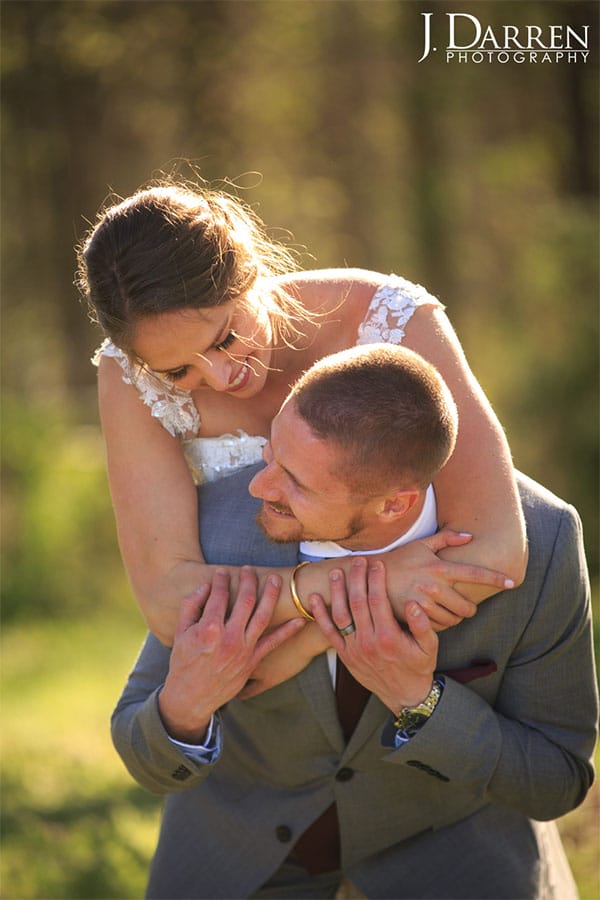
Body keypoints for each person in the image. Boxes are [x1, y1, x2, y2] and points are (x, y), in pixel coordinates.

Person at [111, 345, 597, 900]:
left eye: (295, 482)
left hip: (457, 869)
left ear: (396, 504)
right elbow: (142, 756)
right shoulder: (212, 524)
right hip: (237, 870)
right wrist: (185, 706)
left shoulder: (544, 542)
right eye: (272, 452)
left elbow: (558, 780)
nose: (259, 486)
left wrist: (423, 701)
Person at [77, 180, 526, 647]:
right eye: (177, 371)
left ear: (249, 268)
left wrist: (309, 642)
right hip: (237, 680)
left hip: (394, 652)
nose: (220, 376)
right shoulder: (128, 375)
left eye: (225, 338)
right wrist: (362, 584)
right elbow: (169, 602)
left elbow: (497, 550)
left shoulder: (388, 318)